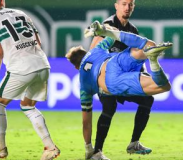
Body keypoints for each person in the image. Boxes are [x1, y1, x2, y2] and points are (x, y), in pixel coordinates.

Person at [66, 21, 172, 160]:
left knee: (164, 87)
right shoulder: (95, 50)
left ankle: (98, 151)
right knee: (144, 48)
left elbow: (86, 122)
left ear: (75, 67)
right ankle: (151, 57)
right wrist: (104, 31)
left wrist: (88, 148)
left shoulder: (83, 84)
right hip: (115, 61)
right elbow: (113, 34)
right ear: (85, 52)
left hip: (111, 82)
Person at [0, 0, 60, 160]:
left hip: (20, 67)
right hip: (42, 64)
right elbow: (38, 41)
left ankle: (1, 148)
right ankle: (50, 148)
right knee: (28, 106)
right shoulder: (20, 13)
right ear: (3, 1)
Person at [89, 0, 155, 160]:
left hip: (123, 77)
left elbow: (134, 56)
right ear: (116, 6)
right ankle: (97, 152)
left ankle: (134, 143)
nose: (127, 7)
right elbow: (93, 51)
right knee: (109, 108)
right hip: (106, 77)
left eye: (130, 5)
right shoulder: (107, 25)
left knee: (147, 99)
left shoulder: (132, 29)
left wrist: (142, 74)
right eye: (124, 4)